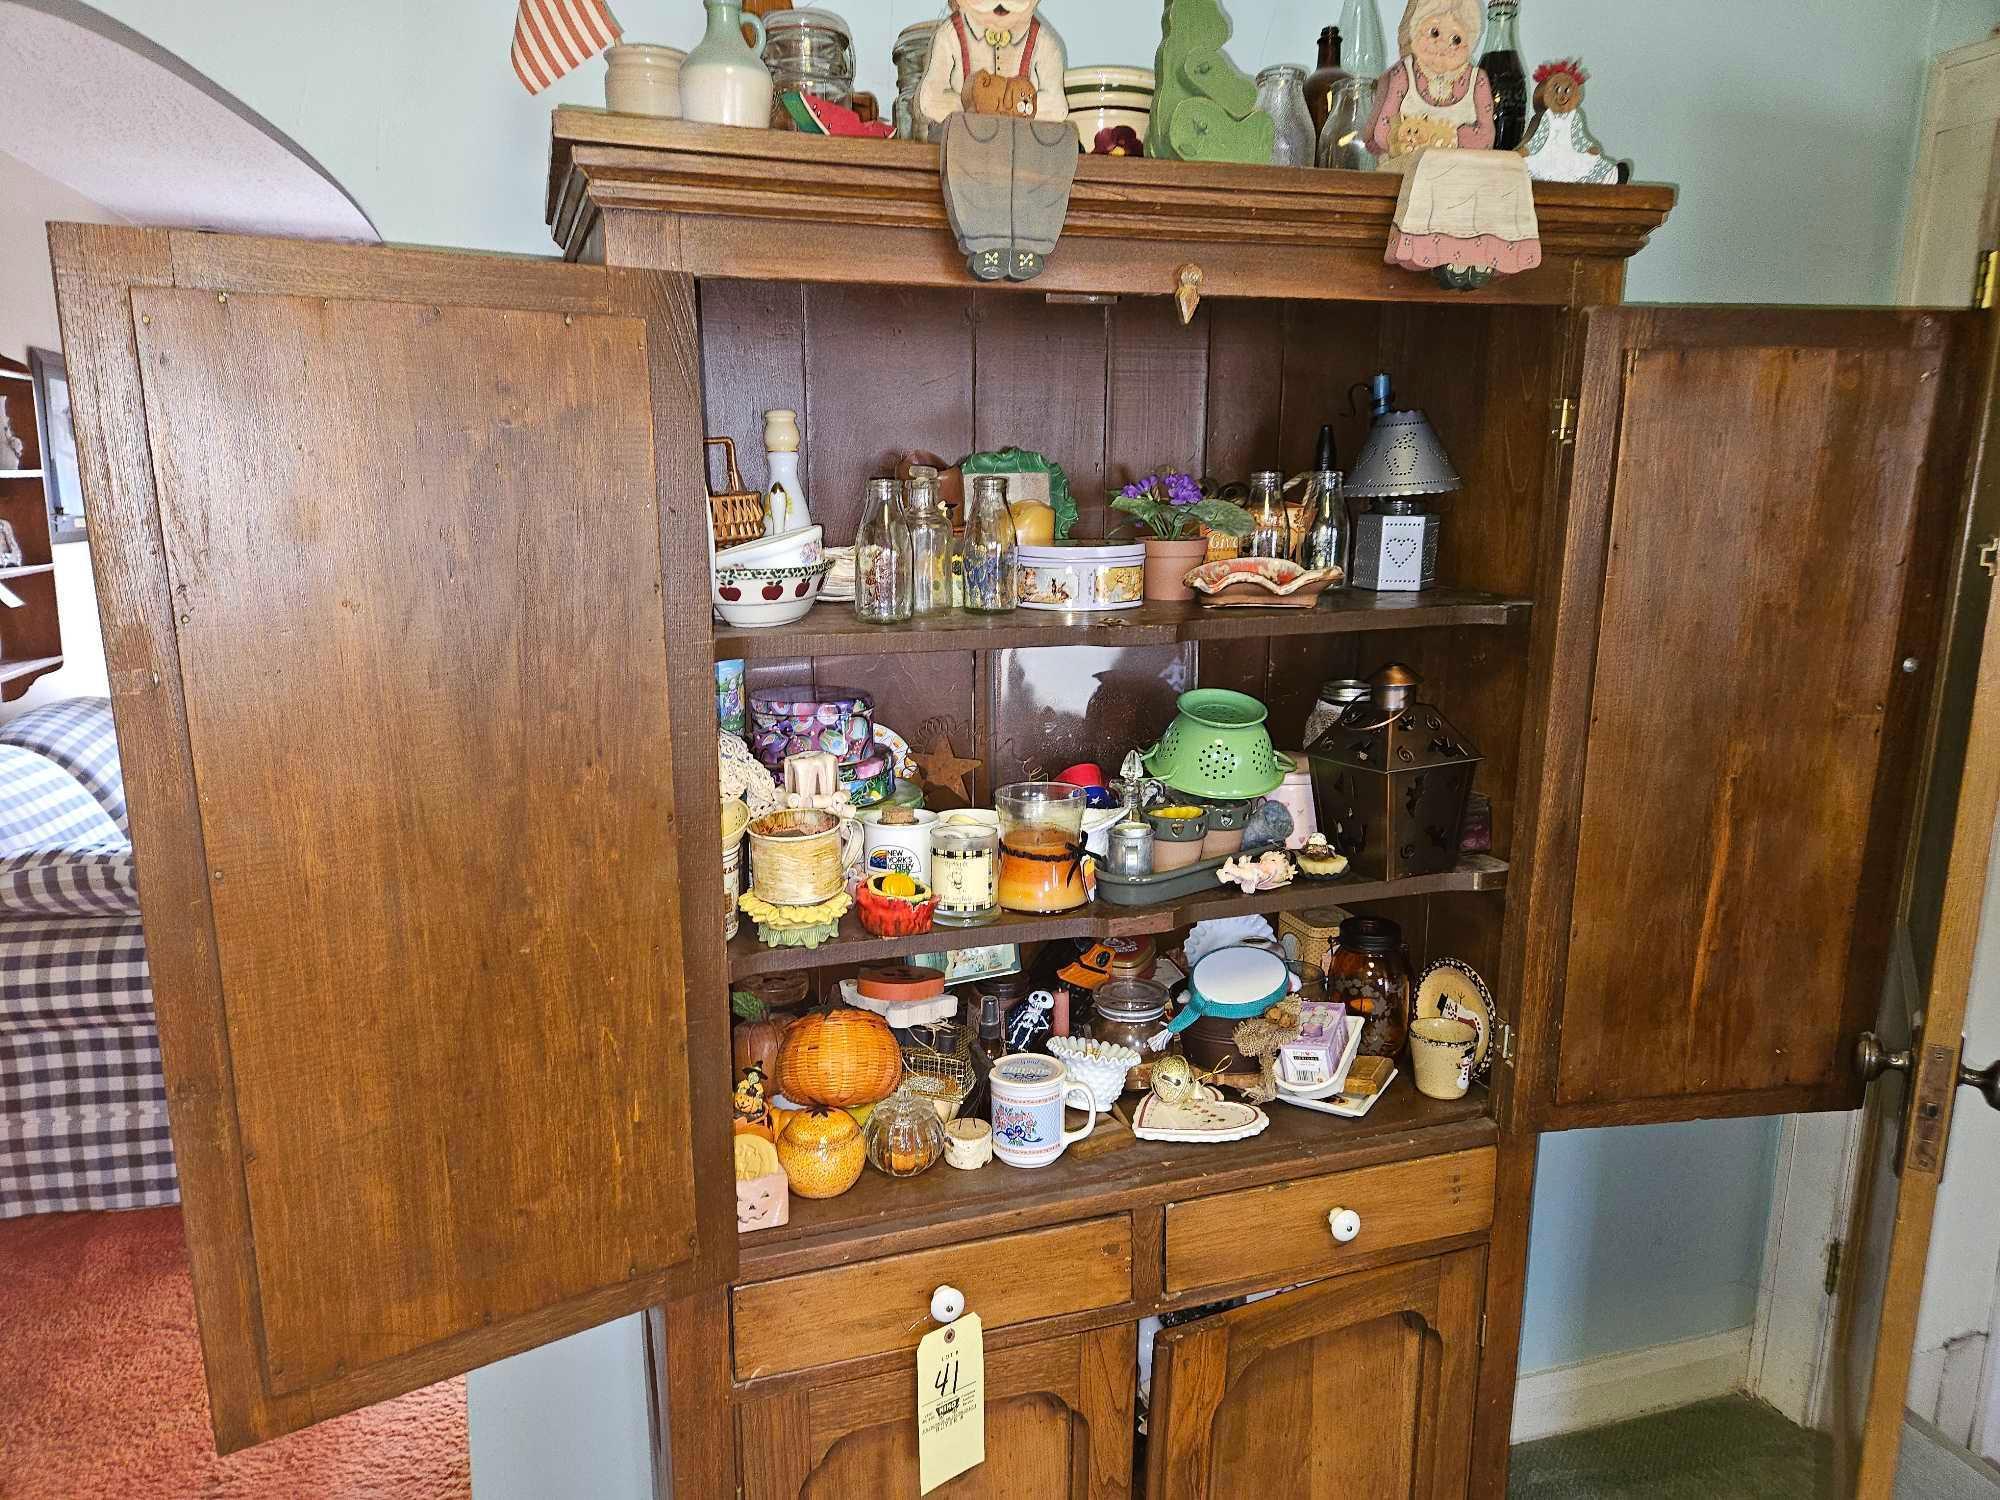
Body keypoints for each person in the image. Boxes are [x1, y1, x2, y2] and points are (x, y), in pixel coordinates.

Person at [920, 0, 1079, 282]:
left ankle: (1032, 243)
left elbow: (1057, 106)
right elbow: (929, 101)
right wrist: (976, 105)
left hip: (1024, 142)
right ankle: (984, 243)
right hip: (970, 138)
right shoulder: (950, 37)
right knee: (971, 140)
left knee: (1056, 141)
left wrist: (1015, 105)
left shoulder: (1044, 43)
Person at [1365, 0, 1495, 160]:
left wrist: (1422, 135)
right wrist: (1443, 137)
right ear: (1416, 29)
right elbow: (1384, 133)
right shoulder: (1403, 73)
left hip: (1458, 176)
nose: (1442, 44)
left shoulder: (1477, 80)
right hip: (1405, 174)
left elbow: (1486, 139)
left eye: (1456, 39)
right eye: (1434, 32)